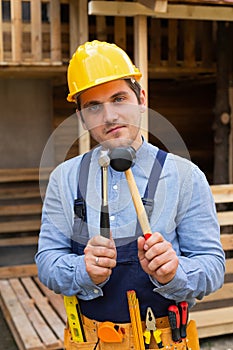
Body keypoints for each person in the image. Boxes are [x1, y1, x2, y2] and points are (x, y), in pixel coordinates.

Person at [35, 40, 225, 349]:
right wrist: (83, 271)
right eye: (93, 106)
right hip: (92, 342)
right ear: (82, 118)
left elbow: (212, 267)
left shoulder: (185, 176)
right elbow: (47, 262)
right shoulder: (64, 179)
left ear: (141, 100)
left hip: (164, 341)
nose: (108, 116)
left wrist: (175, 271)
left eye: (119, 98)